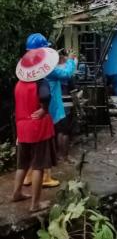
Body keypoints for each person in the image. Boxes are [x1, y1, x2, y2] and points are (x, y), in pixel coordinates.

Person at [22, 35, 77, 188]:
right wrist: (71, 60)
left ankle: (28, 176)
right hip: (48, 108)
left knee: (33, 144)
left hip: (31, 107)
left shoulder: (27, 67)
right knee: (45, 143)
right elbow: (65, 74)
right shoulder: (46, 68)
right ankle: (44, 176)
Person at [12, 47, 59, 212]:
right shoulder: (41, 82)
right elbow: (45, 96)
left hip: (22, 128)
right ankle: (35, 204)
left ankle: (16, 193)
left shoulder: (19, 84)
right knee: (39, 165)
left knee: (22, 163)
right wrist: (44, 109)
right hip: (37, 128)